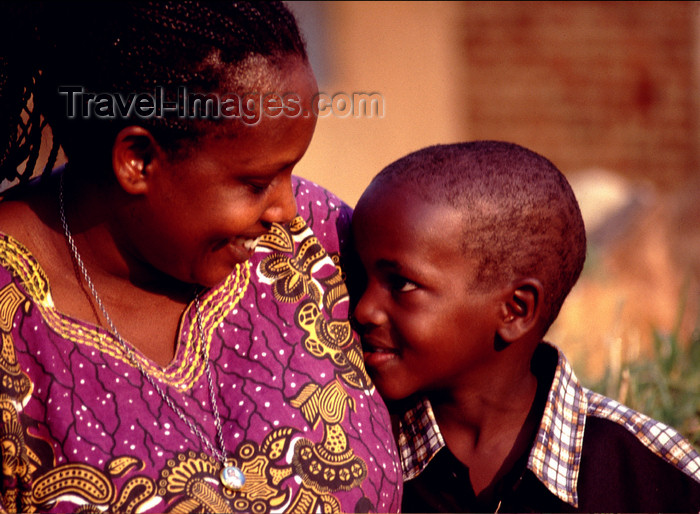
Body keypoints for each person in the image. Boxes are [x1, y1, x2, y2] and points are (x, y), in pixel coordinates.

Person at [0, 2, 401, 512]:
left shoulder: (315, 241)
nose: (287, 208)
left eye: (290, 173)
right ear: (138, 160)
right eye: (256, 184)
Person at [350, 140, 700, 512]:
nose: (363, 309)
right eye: (358, 277)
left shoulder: (652, 476)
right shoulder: (347, 444)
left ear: (516, 311)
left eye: (401, 283)